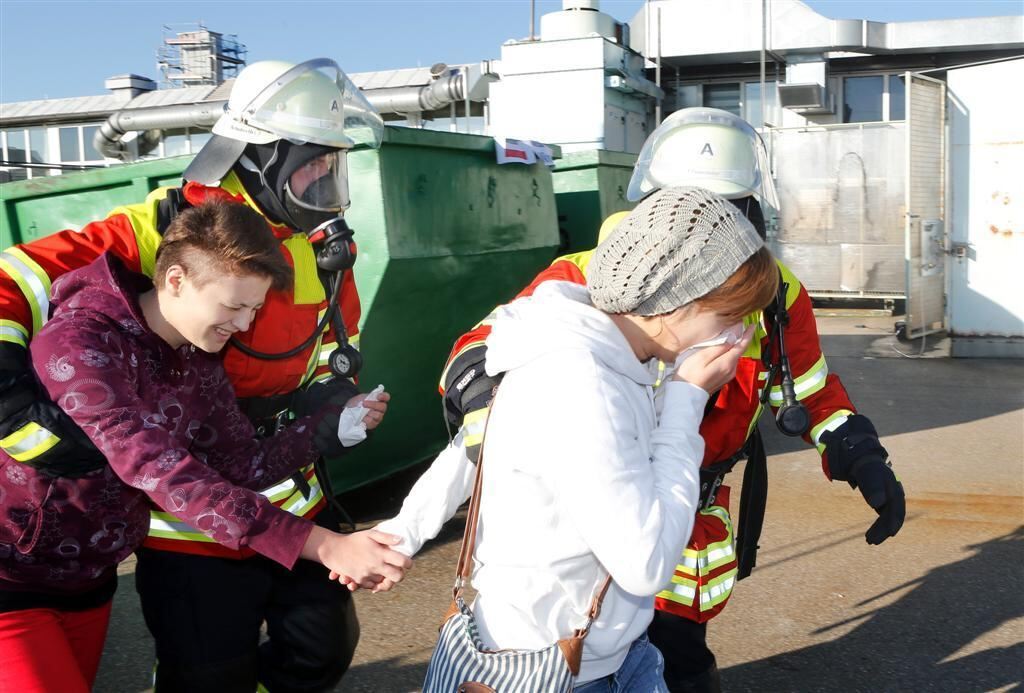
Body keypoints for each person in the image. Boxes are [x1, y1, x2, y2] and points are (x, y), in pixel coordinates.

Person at [437, 108, 906, 693]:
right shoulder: (592, 273)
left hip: (689, 512)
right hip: (595, 524)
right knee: (589, 655)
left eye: (724, 217)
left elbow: (806, 387)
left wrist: (860, 453)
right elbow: (481, 357)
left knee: (676, 656)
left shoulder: (772, 291)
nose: (706, 241)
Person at [0, 58, 387, 691]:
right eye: (309, 165)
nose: (322, 184)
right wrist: (8, 405)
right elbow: (15, 278)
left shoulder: (316, 252)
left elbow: (327, 349)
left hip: (143, 540)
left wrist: (329, 417)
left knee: (319, 645)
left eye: (331, 168)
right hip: (154, 514)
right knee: (205, 667)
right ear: (261, 158)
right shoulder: (167, 235)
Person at [385, 186, 776, 691]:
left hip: (614, 648)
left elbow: (473, 444)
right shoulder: (582, 379)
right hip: (551, 665)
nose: (739, 334)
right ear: (677, 301)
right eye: (728, 316)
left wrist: (402, 532)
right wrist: (687, 397)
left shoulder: (600, 347)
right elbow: (646, 564)